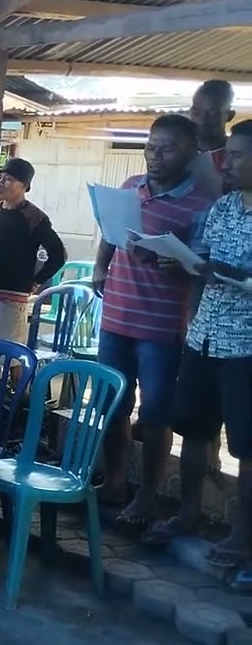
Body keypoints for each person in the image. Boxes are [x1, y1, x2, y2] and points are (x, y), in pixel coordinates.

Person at [92, 115, 216, 533]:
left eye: (167, 148)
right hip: (116, 317)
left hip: (161, 327)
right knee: (112, 404)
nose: (155, 156)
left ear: (190, 152)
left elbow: (199, 269)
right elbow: (110, 233)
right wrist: (99, 268)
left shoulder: (201, 204)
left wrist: (169, 263)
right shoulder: (129, 187)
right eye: (150, 146)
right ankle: (113, 482)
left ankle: (147, 493)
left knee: (156, 413)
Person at [143, 121, 252, 573]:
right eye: (229, 154)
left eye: (241, 156)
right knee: (192, 429)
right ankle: (187, 513)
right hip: (203, 337)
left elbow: (225, 270)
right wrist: (169, 257)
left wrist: (229, 272)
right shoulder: (223, 207)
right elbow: (199, 260)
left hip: (245, 346)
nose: (227, 163)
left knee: (246, 447)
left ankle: (243, 537)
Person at [0, 158, 67, 344]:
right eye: (0, 178)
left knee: (10, 351)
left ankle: (21, 375)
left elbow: (58, 255)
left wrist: (35, 281)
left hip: (12, 294)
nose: (1, 183)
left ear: (24, 185)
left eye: (8, 179)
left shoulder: (33, 217)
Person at [188, 79, 236, 198]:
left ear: (229, 115)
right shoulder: (180, 152)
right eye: (196, 113)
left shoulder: (236, 158)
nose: (202, 121)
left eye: (212, 114)